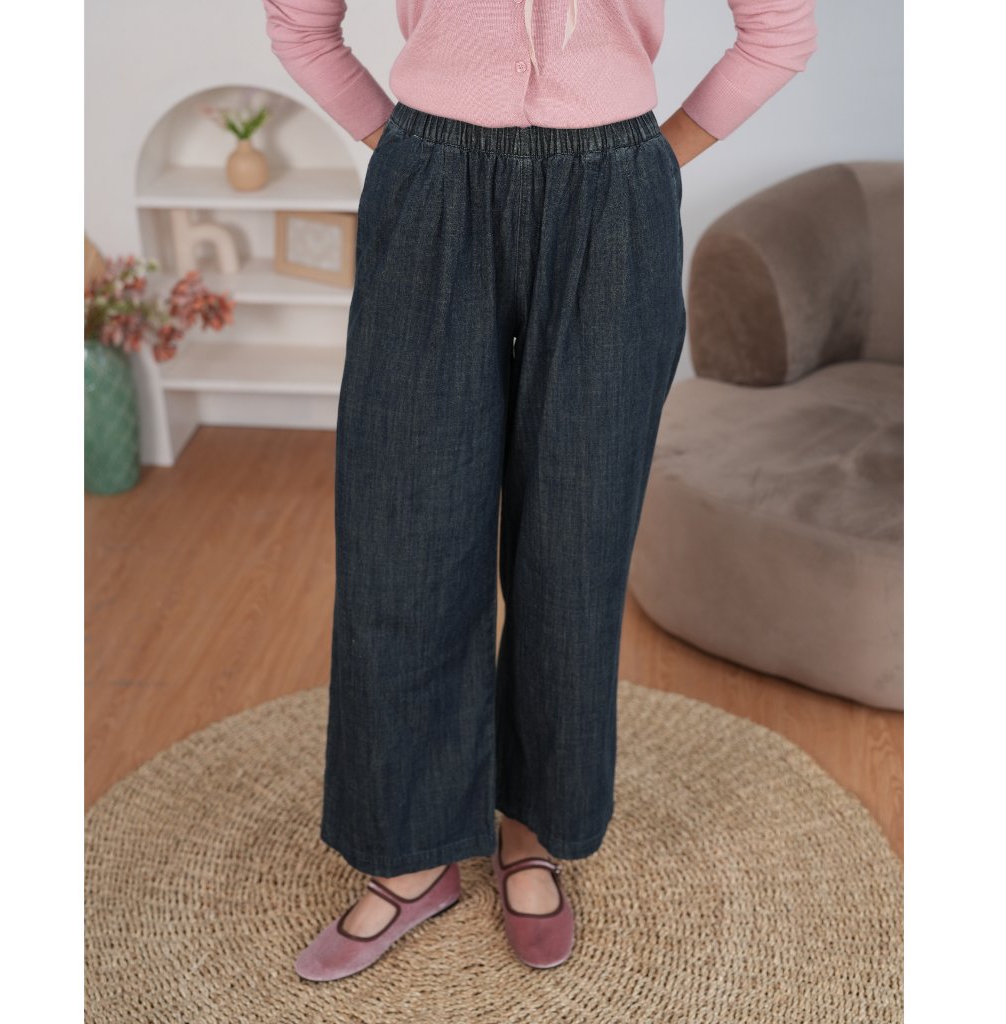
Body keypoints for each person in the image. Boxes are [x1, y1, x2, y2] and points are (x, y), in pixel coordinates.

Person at [261, 0, 818, 981]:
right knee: (402, 542)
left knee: (575, 546)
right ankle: (409, 854)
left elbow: (780, 28)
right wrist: (404, 147)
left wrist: (656, 158)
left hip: (613, 198)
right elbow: (299, 21)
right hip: (431, 186)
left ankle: (534, 830)